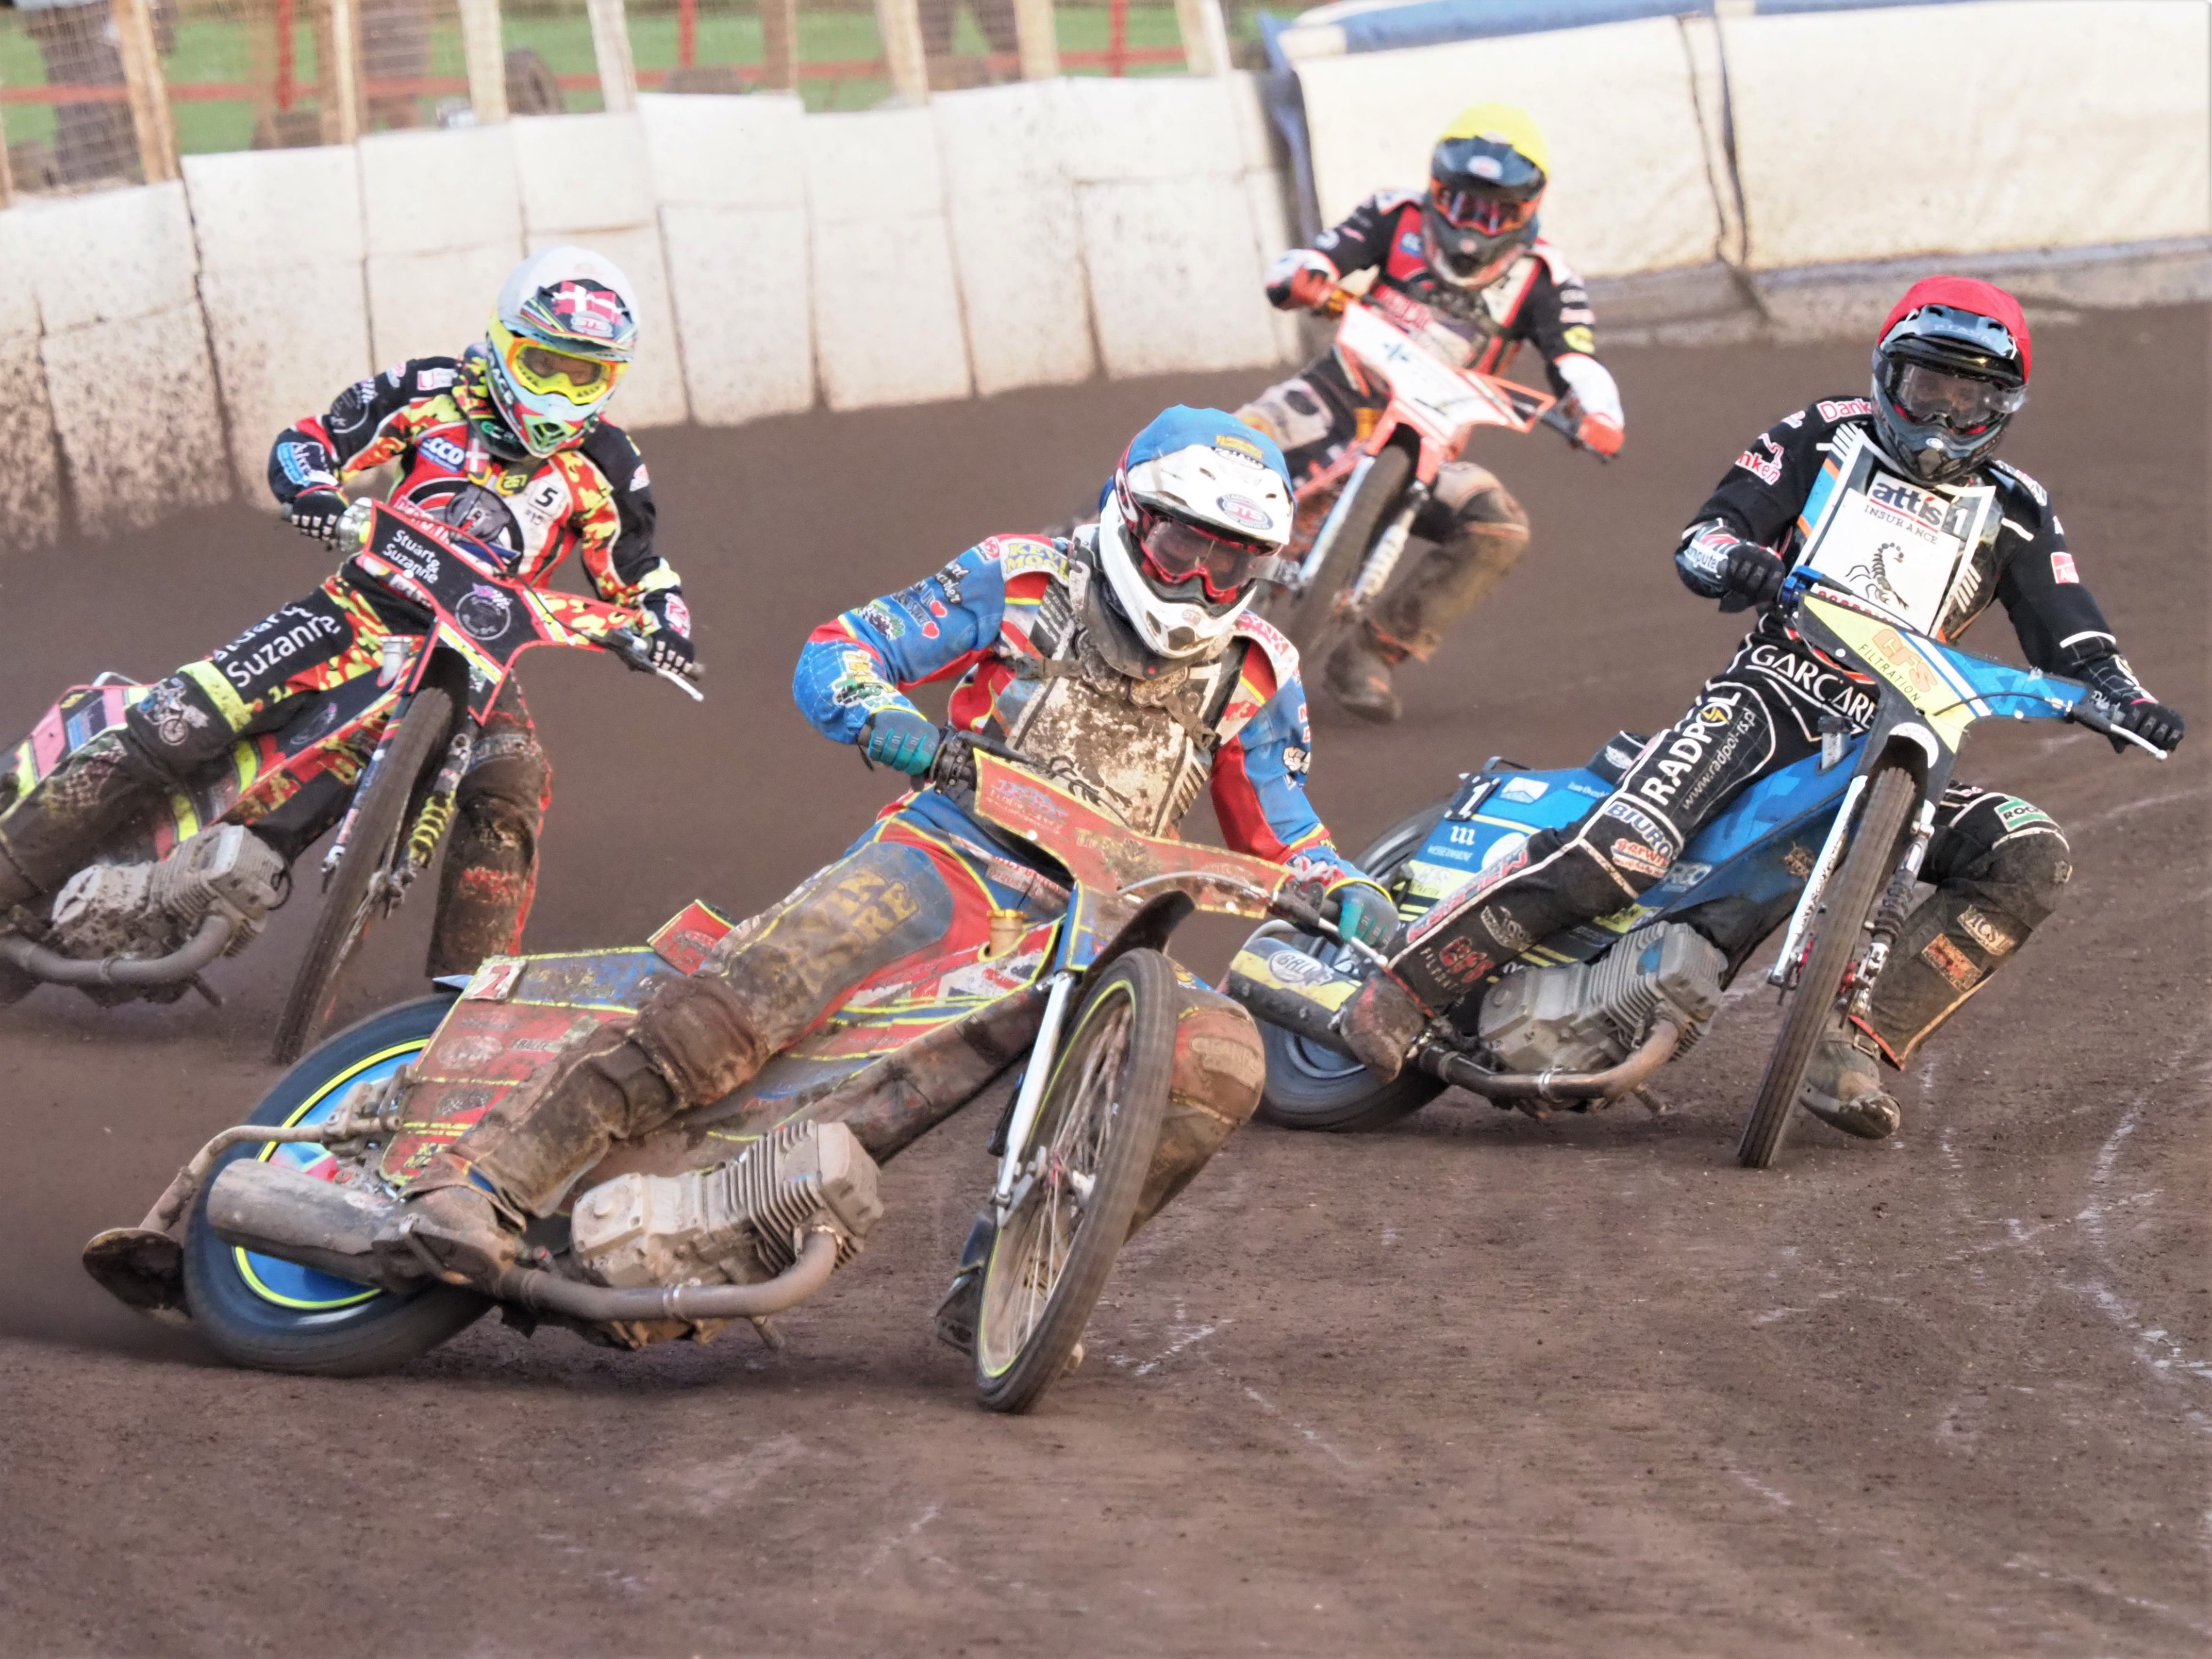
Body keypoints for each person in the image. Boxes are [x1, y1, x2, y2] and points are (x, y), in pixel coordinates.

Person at [392, 406, 1398, 1305]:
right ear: (1131, 513)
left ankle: (1021, 1273)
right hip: (949, 852)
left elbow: (1281, 822)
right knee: (739, 1008)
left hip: (1102, 922)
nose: (1202, 582)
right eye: (1184, 545)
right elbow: (840, 649)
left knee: (1218, 1056)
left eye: (1233, 564)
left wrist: (1342, 884)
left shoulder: (1257, 668)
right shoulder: (1024, 577)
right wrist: (889, 721)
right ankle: (484, 1182)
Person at [1337, 276, 2184, 1140]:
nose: (1941, 416)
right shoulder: (1824, 431)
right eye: (1928, 386)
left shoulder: (2018, 507)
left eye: (1969, 400)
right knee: (1623, 850)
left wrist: (2124, 695)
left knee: (2028, 854)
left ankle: (1843, 1039)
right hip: (1771, 694)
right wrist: (1733, 558)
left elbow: (2072, 630)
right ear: (1888, 374)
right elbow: (1709, 533)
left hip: (1899, 733)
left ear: (2002, 408)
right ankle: (1406, 985)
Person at [0, 246, 696, 980]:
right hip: (359, 610)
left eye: (583, 374)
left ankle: (464, 1000)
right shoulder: (431, 390)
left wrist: (665, 626)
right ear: (503, 343)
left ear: (610, 378)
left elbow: (638, 568)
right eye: (544, 364)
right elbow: (313, 441)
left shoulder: (610, 463)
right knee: (181, 718)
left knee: (512, 779)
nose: (558, 390)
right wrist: (315, 495)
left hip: (479, 655)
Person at [1241, 102, 1625, 724]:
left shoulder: (1547, 276)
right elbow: (1316, 259)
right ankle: (1102, 541)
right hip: (1327, 399)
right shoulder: (1393, 214)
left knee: (1499, 526)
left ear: (1526, 208)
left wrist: (1598, 410)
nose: (1476, 224)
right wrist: (1306, 276)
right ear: (1437, 190)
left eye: (1495, 211)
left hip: (1426, 447)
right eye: (1465, 205)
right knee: (1226, 444)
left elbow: (1576, 358)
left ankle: (1371, 653)